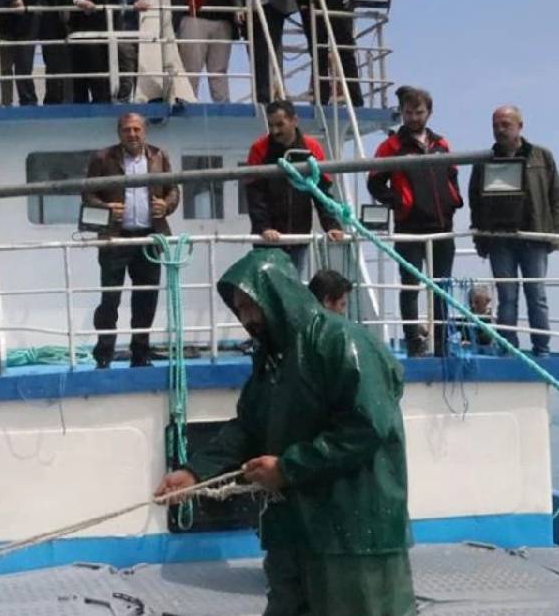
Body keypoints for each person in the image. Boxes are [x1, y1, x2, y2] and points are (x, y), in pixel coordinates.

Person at [157, 249, 413, 616]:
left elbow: (367, 425)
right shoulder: (272, 360)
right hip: (296, 529)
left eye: (250, 306)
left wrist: (288, 468)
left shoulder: (340, 341)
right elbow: (247, 427)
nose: (245, 318)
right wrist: (194, 473)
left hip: (354, 535)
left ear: (277, 294)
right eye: (239, 309)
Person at [368, 86, 462, 357]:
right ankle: (414, 343)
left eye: (418, 112)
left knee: (442, 287)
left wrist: (453, 202)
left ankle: (442, 343)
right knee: (410, 285)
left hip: (443, 227)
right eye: (408, 112)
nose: (413, 118)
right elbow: (375, 183)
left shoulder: (442, 144)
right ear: (402, 113)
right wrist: (400, 202)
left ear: (429, 113)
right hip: (409, 226)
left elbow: (452, 176)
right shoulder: (391, 147)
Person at [83, 113, 181, 368]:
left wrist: (166, 205)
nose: (133, 134)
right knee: (110, 300)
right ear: (119, 132)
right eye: (127, 130)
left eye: (137, 129)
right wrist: (106, 207)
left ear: (145, 131)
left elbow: (174, 190)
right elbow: (87, 194)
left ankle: (140, 354)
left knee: (145, 300)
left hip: (150, 237)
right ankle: (103, 355)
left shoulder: (160, 156)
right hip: (115, 238)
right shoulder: (102, 158)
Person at [470, 105, 559, 358]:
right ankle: (508, 348)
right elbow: (475, 200)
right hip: (500, 239)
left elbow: (556, 196)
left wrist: (555, 233)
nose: (499, 130)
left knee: (537, 296)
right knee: (507, 297)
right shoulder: (484, 161)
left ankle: (541, 349)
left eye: (505, 124)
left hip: (534, 236)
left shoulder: (542, 157)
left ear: (520, 126)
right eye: (496, 125)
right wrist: (481, 236)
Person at [244, 99, 344, 274]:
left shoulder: (312, 148)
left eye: (280, 125)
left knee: (293, 289)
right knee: (269, 292)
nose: (274, 130)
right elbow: (255, 194)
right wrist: (264, 228)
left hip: (299, 237)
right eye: (271, 125)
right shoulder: (259, 149)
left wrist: (332, 225)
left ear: (294, 120)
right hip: (267, 240)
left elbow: (322, 193)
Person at [68, 0, 151, 104]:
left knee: (125, 53)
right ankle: (102, 100)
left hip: (114, 15)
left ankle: (124, 97)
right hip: (89, 16)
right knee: (94, 59)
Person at [238, 0, 318, 103]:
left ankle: (273, 95)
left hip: (272, 4)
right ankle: (263, 95)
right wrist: (238, 6)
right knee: (256, 54)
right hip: (251, 8)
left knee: (272, 48)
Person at [294, 0, 366, 106]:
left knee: (346, 52)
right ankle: (321, 100)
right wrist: (302, 4)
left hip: (339, 4)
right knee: (318, 53)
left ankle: (356, 100)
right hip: (313, 5)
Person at [171, 0, 244, 102]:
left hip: (223, 22)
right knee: (191, 68)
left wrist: (239, 8)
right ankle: (187, 103)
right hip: (194, 19)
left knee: (219, 70)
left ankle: (223, 107)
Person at [2, 0, 72, 105]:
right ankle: (28, 99)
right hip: (25, 3)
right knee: (23, 56)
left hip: (51, 2)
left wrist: (66, 4)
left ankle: (54, 99)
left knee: (55, 55)